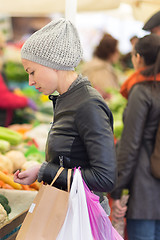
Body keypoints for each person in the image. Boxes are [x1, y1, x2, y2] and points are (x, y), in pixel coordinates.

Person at [14, 18, 117, 214]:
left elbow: (105, 178)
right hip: (68, 210)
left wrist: (45, 171)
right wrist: (40, 170)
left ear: (53, 63)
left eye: (32, 72)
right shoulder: (67, 98)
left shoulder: (88, 105)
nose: (30, 81)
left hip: (82, 217)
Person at [111, 34, 160, 240]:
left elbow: (130, 145)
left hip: (144, 189)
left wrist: (116, 189)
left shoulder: (141, 91)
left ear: (138, 58)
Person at [81, 33, 120, 98]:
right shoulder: (101, 70)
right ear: (110, 52)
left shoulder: (93, 65)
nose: (118, 53)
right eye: (116, 50)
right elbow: (108, 94)